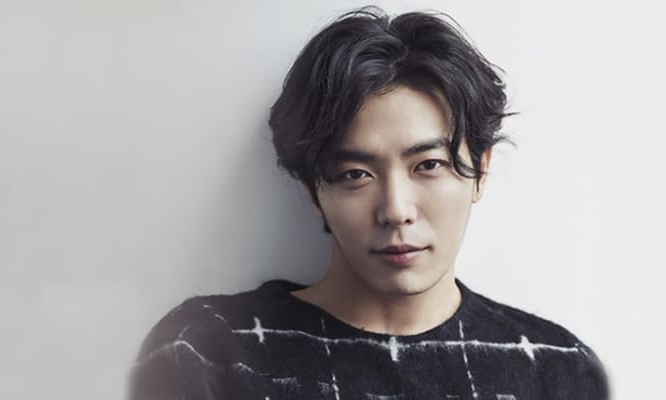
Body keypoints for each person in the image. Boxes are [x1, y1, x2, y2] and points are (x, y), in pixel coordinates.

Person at [128, 7, 609, 400]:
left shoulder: (559, 369)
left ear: (479, 171)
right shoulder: (208, 350)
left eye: (428, 165)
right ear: (312, 190)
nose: (396, 210)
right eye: (356, 174)